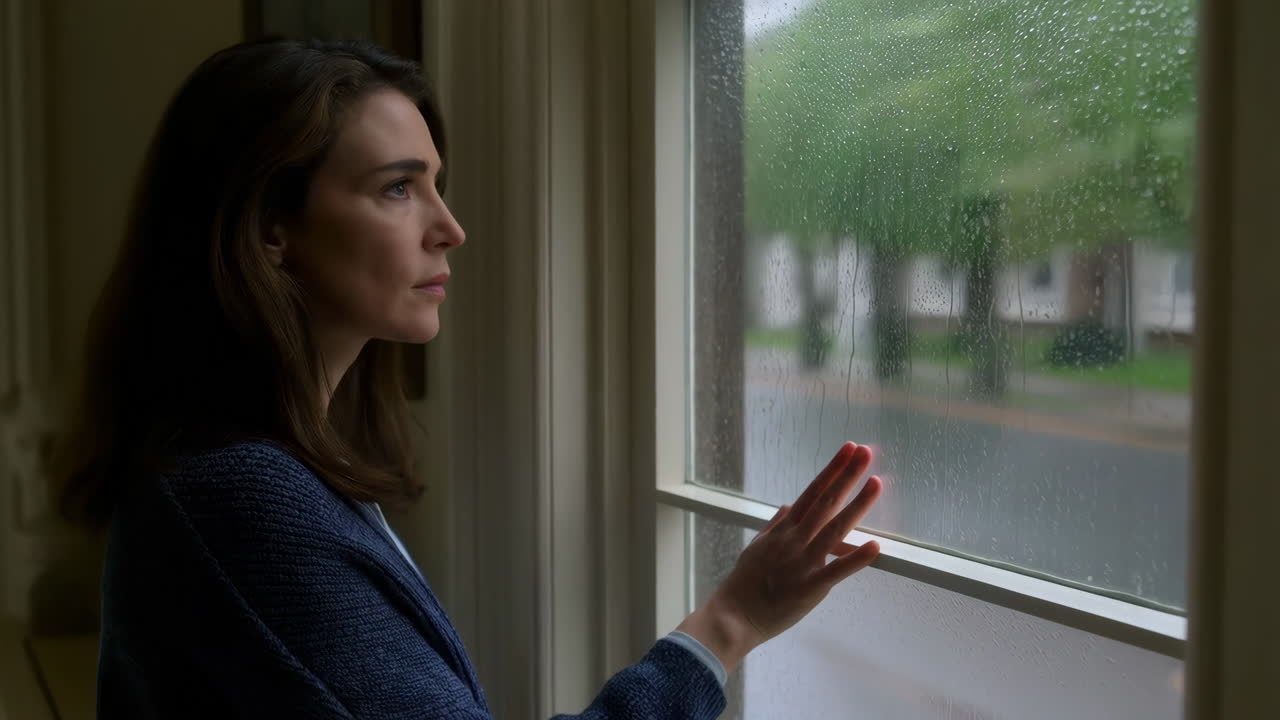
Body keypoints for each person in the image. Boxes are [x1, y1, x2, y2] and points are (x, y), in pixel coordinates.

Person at [57, 38, 884, 719]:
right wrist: (727, 624)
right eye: (397, 189)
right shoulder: (239, 498)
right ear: (272, 228)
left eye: (435, 186)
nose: (449, 228)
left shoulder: (254, 466)